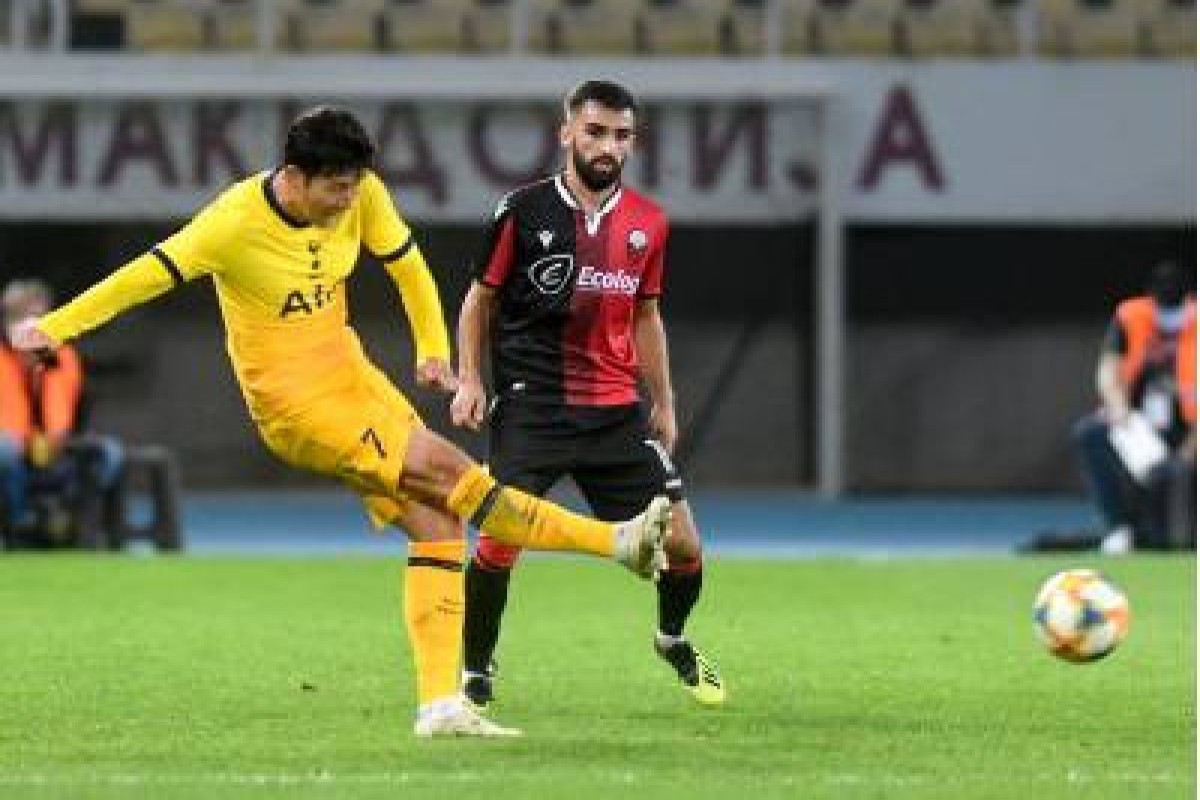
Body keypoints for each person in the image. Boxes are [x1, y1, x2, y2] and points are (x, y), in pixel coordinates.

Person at [9, 105, 671, 738]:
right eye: (335, 188)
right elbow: (143, 278)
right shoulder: (232, 224)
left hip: (355, 381)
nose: (347, 200)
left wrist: (431, 351)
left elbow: (408, 268)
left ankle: (440, 707)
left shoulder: (361, 192)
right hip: (297, 407)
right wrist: (56, 328)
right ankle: (615, 542)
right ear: (293, 178)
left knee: (437, 523)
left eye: (355, 185)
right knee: (455, 473)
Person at [450, 80, 725, 709]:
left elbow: (646, 316)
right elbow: (480, 300)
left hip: (612, 412)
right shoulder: (521, 210)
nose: (608, 146)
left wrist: (665, 400)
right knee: (498, 537)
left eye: (621, 135)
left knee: (683, 544)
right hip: (534, 405)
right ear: (567, 133)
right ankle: (474, 670)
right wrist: (470, 378)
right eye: (595, 131)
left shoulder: (648, 223)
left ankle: (671, 637)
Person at [1070, 260, 1196, 554]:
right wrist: (1119, 409)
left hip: (1189, 430)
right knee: (1091, 434)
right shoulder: (1132, 316)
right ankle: (1119, 528)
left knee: (1178, 474)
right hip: (1139, 427)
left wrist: (1189, 451)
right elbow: (1108, 369)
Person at [1, 279, 124, 544]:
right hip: (15, 453)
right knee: (4, 451)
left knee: (110, 455)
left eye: (38, 319)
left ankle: (69, 520)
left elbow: (73, 413)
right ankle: (21, 526)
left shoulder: (64, 356)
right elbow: (10, 423)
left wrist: (66, 439)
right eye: (18, 318)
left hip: (59, 449)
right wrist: (29, 442)